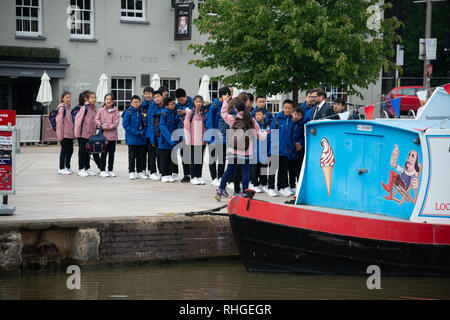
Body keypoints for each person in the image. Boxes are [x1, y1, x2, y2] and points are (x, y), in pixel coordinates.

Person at [215, 96, 267, 200]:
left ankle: (220, 189)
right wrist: (265, 133)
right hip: (246, 151)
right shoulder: (251, 120)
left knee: (229, 170)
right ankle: (244, 192)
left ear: (236, 109)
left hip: (233, 150)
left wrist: (225, 102)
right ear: (246, 108)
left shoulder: (233, 119)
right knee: (245, 171)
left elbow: (223, 114)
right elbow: (259, 135)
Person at [206, 86, 231, 187]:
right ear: (224, 95)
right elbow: (209, 121)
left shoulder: (228, 105)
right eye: (228, 95)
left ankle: (220, 177)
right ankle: (213, 178)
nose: (229, 97)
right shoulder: (214, 106)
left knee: (222, 159)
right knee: (213, 158)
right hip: (214, 136)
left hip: (224, 137)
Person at [271, 99, 295, 197]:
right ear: (282, 108)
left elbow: (292, 135)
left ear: (292, 109)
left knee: (283, 170)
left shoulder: (292, 120)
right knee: (273, 169)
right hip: (276, 149)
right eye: (286, 108)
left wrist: (291, 146)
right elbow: (272, 133)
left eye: (289, 108)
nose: (287, 110)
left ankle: (281, 187)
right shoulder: (276, 119)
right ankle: (270, 187)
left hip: (286, 149)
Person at [74, 91, 100, 177]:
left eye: (95, 97)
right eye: (92, 97)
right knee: (82, 152)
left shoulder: (94, 108)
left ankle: (87, 168)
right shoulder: (84, 108)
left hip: (91, 135)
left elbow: (94, 120)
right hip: (83, 134)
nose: (94, 99)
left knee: (88, 152)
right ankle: (81, 169)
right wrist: (77, 134)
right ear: (87, 99)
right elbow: (78, 121)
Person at [184, 95, 208, 185]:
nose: (199, 103)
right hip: (193, 141)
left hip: (202, 140)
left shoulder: (204, 113)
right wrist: (188, 140)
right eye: (197, 101)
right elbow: (186, 127)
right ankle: (193, 177)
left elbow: (205, 126)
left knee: (200, 160)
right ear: (193, 102)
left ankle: (199, 176)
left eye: (200, 101)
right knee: (193, 160)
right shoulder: (190, 112)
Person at [123, 95, 147, 180]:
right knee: (132, 156)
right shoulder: (128, 112)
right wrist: (137, 132)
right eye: (134, 102)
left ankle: (140, 172)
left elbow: (146, 123)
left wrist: (143, 131)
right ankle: (131, 172)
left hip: (142, 138)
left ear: (140, 102)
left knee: (141, 156)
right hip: (132, 138)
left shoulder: (143, 111)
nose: (136, 104)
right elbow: (125, 125)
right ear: (131, 103)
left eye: (137, 102)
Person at [95, 93, 120, 177]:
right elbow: (96, 120)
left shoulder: (116, 111)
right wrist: (101, 125)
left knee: (111, 154)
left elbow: (116, 124)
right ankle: (102, 170)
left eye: (110, 99)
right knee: (103, 153)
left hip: (113, 137)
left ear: (113, 101)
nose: (108, 101)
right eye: (107, 99)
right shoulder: (101, 110)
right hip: (103, 137)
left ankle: (110, 169)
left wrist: (104, 126)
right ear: (105, 100)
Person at [250, 108, 274, 195]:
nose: (257, 116)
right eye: (256, 115)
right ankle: (255, 184)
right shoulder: (254, 125)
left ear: (264, 115)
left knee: (263, 167)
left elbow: (269, 137)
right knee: (255, 168)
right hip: (255, 150)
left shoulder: (268, 125)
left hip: (264, 150)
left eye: (259, 115)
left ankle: (264, 184)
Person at [158, 96, 182, 183]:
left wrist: (178, 116)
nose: (174, 105)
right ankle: (164, 175)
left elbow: (175, 123)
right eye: (172, 104)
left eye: (174, 103)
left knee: (171, 159)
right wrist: (171, 140)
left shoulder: (173, 112)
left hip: (172, 142)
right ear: (166, 106)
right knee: (164, 159)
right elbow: (163, 128)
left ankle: (169, 174)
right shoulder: (163, 114)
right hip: (165, 142)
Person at [175, 88, 194, 183]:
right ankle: (186, 175)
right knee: (184, 155)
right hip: (181, 133)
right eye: (178, 100)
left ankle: (194, 174)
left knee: (193, 155)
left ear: (186, 96)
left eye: (181, 99)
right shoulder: (177, 105)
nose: (180, 102)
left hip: (192, 133)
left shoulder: (193, 102)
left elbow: (196, 114)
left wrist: (186, 112)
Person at [146, 90, 164, 180]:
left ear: (162, 97)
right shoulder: (152, 106)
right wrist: (152, 138)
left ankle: (161, 171)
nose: (157, 98)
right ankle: (152, 172)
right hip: (153, 134)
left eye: (158, 97)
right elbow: (150, 122)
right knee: (152, 155)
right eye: (155, 97)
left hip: (161, 135)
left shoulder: (164, 106)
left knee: (160, 154)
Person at [56, 91, 74, 175]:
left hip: (69, 134)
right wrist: (60, 136)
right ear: (62, 99)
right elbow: (59, 123)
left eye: (69, 97)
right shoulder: (61, 108)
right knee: (64, 151)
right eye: (67, 97)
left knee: (70, 150)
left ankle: (67, 166)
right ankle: (61, 168)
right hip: (64, 134)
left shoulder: (68, 108)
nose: (69, 99)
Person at [288, 106, 305, 194]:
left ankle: (297, 185)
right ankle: (291, 185)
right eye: (295, 114)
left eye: (298, 115)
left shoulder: (302, 125)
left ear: (302, 116)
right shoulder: (290, 123)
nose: (296, 116)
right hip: (290, 149)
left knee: (298, 168)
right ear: (292, 113)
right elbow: (288, 135)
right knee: (290, 169)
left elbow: (303, 136)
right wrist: (294, 143)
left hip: (298, 150)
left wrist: (300, 143)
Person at [141, 86, 154, 177]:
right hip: (143, 133)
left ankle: (151, 170)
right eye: (146, 94)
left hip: (151, 133)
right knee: (142, 153)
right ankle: (142, 170)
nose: (147, 95)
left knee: (151, 153)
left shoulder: (154, 104)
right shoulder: (142, 105)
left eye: (149, 94)